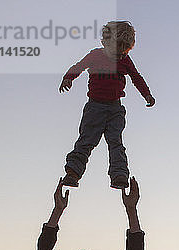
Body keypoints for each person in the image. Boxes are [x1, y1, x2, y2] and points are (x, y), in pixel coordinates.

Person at [59, 21, 155, 190]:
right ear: (107, 42)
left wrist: (147, 94)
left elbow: (136, 77)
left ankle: (119, 175)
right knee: (86, 140)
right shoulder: (95, 55)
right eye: (118, 50)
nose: (120, 55)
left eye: (124, 51)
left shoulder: (125, 60)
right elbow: (79, 67)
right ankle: (73, 173)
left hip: (115, 109)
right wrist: (68, 77)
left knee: (115, 142)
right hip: (95, 107)